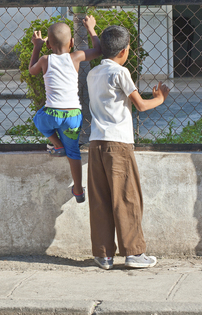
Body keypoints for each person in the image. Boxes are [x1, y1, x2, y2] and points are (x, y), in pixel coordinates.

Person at [87, 25, 170, 270]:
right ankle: (133, 253)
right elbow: (141, 105)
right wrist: (160, 98)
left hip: (96, 144)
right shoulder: (120, 72)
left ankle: (103, 255)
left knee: (100, 199)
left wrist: (92, 30)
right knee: (126, 198)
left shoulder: (93, 74)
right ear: (124, 51)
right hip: (118, 145)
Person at [29, 16, 101, 203]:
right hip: (72, 116)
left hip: (52, 114)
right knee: (73, 153)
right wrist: (91, 28)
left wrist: (36, 46)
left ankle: (56, 144)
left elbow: (32, 70)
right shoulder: (76, 56)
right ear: (71, 42)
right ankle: (78, 191)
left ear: (48, 45)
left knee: (38, 118)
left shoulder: (45, 59)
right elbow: (99, 50)